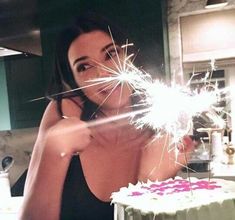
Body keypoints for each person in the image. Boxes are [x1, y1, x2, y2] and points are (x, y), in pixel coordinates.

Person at [19, 13, 195, 220]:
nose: (103, 73)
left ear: (130, 57)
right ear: (75, 82)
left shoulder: (160, 126)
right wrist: (52, 151)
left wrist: (152, 182)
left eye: (111, 54)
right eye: (84, 67)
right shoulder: (64, 112)